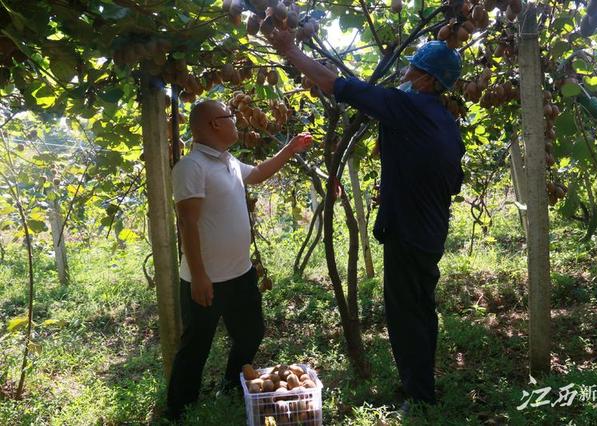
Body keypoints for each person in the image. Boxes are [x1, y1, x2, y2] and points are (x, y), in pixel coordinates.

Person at [268, 31, 464, 408]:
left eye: (414, 66)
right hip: (431, 231)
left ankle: (420, 397)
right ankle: (421, 381)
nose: (406, 71)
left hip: (408, 232)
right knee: (422, 309)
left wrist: (291, 50)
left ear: (426, 78)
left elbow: (336, 84)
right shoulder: (445, 121)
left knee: (406, 315)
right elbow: (453, 181)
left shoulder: (406, 109)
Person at [166, 99, 312, 420]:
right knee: (196, 346)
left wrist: (289, 150)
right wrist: (200, 276)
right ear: (214, 125)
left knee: (251, 332)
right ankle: (178, 409)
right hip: (207, 278)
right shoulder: (191, 168)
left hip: (240, 273)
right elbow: (188, 224)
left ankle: (232, 383)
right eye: (229, 116)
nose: (235, 121)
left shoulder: (227, 160)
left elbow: (257, 173)